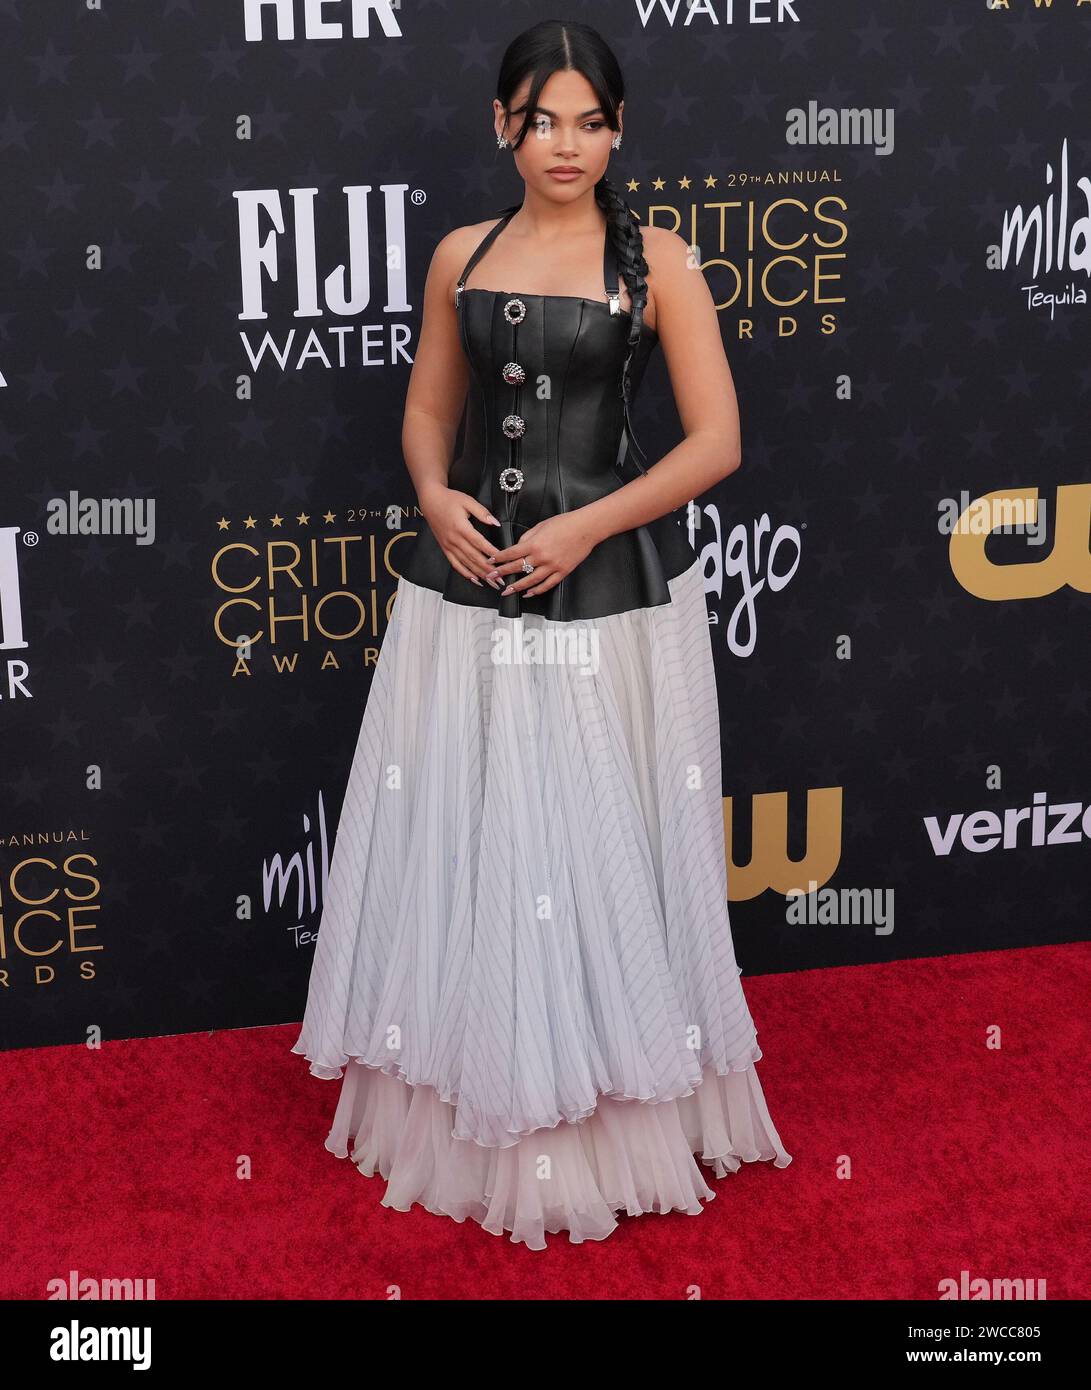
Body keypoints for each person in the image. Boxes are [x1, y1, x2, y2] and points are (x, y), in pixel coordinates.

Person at [292, 18, 792, 1251]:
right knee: (472, 838)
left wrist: (583, 527)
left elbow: (715, 441)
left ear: (618, 130)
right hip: (461, 593)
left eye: (587, 120)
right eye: (538, 118)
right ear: (500, 125)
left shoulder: (661, 261)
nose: (563, 142)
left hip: (603, 594)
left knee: (590, 849)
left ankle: (600, 1116)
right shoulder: (461, 250)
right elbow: (424, 405)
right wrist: (429, 494)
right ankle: (475, 1105)